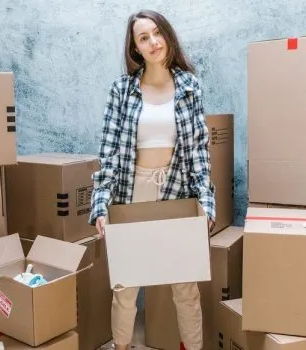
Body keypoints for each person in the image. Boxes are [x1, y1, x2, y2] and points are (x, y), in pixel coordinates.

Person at [88, 9, 216, 350]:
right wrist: (101, 203)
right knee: (126, 287)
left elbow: (199, 152)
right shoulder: (122, 90)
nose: (153, 42)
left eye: (156, 33)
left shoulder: (190, 87)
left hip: (178, 193)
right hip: (133, 193)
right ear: (135, 49)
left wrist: (206, 202)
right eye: (143, 38)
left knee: (185, 287)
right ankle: (123, 346)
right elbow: (109, 151)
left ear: (167, 36)